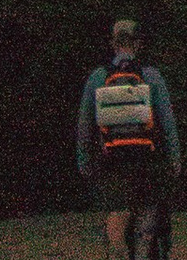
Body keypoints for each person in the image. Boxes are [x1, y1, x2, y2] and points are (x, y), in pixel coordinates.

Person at [77, 17, 180, 260]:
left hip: (112, 160)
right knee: (147, 211)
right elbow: (167, 121)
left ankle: (117, 252)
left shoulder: (98, 77)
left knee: (117, 210)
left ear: (113, 43)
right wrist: (174, 158)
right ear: (138, 44)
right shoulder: (151, 75)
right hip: (146, 158)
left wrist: (84, 161)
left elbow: (84, 125)